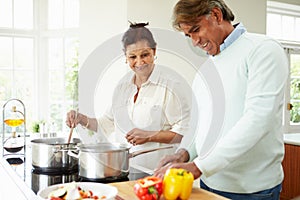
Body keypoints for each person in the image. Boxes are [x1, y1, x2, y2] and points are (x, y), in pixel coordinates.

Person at [154, 0, 289, 199]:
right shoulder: (206, 69)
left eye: (196, 30)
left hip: (252, 190)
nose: (195, 42)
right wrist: (185, 153)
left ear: (216, 15)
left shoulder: (262, 49)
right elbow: (201, 122)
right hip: (209, 183)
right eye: (188, 35)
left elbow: (258, 119)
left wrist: (199, 166)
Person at [66, 22, 192, 170]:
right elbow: (106, 124)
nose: (139, 62)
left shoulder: (171, 86)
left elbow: (184, 133)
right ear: (125, 56)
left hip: (157, 173)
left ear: (154, 51)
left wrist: (150, 136)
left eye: (145, 55)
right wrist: (81, 119)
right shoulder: (122, 88)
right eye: (132, 57)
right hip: (125, 170)